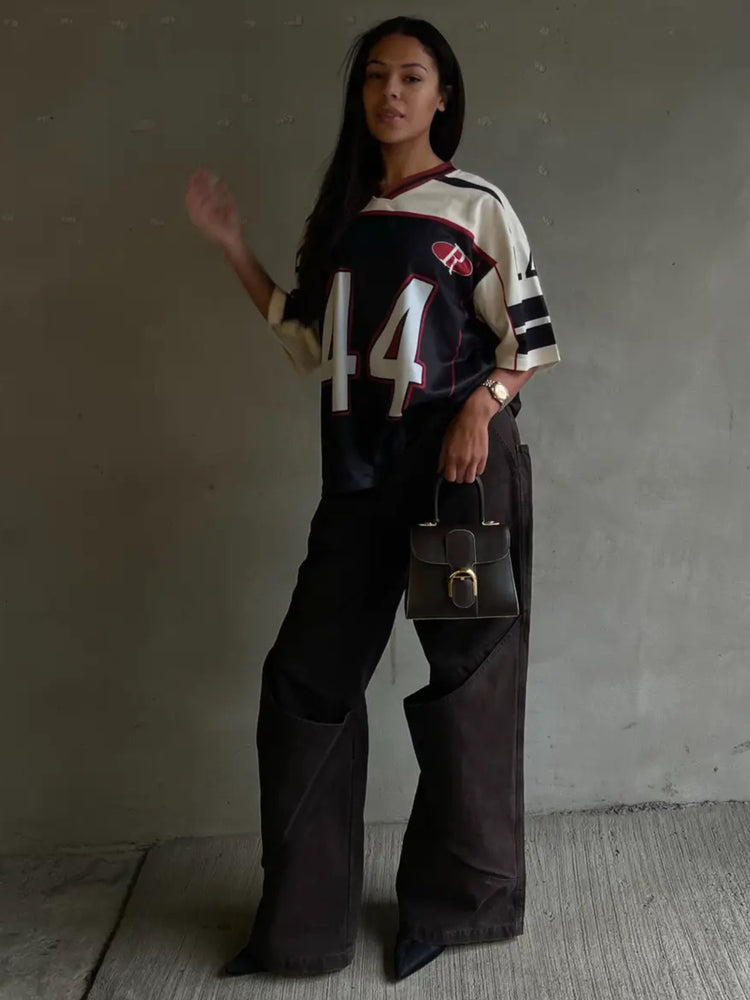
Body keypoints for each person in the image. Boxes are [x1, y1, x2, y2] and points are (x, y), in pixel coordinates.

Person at [185, 15, 561, 982]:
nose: (391, 92)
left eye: (412, 77)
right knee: (306, 683)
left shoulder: (477, 208)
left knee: (467, 684)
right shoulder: (349, 218)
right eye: (376, 77)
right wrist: (232, 246)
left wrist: (480, 407)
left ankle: (459, 908)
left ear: (443, 96)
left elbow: (529, 342)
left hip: (459, 479)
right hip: (358, 480)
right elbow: (315, 345)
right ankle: (303, 926)